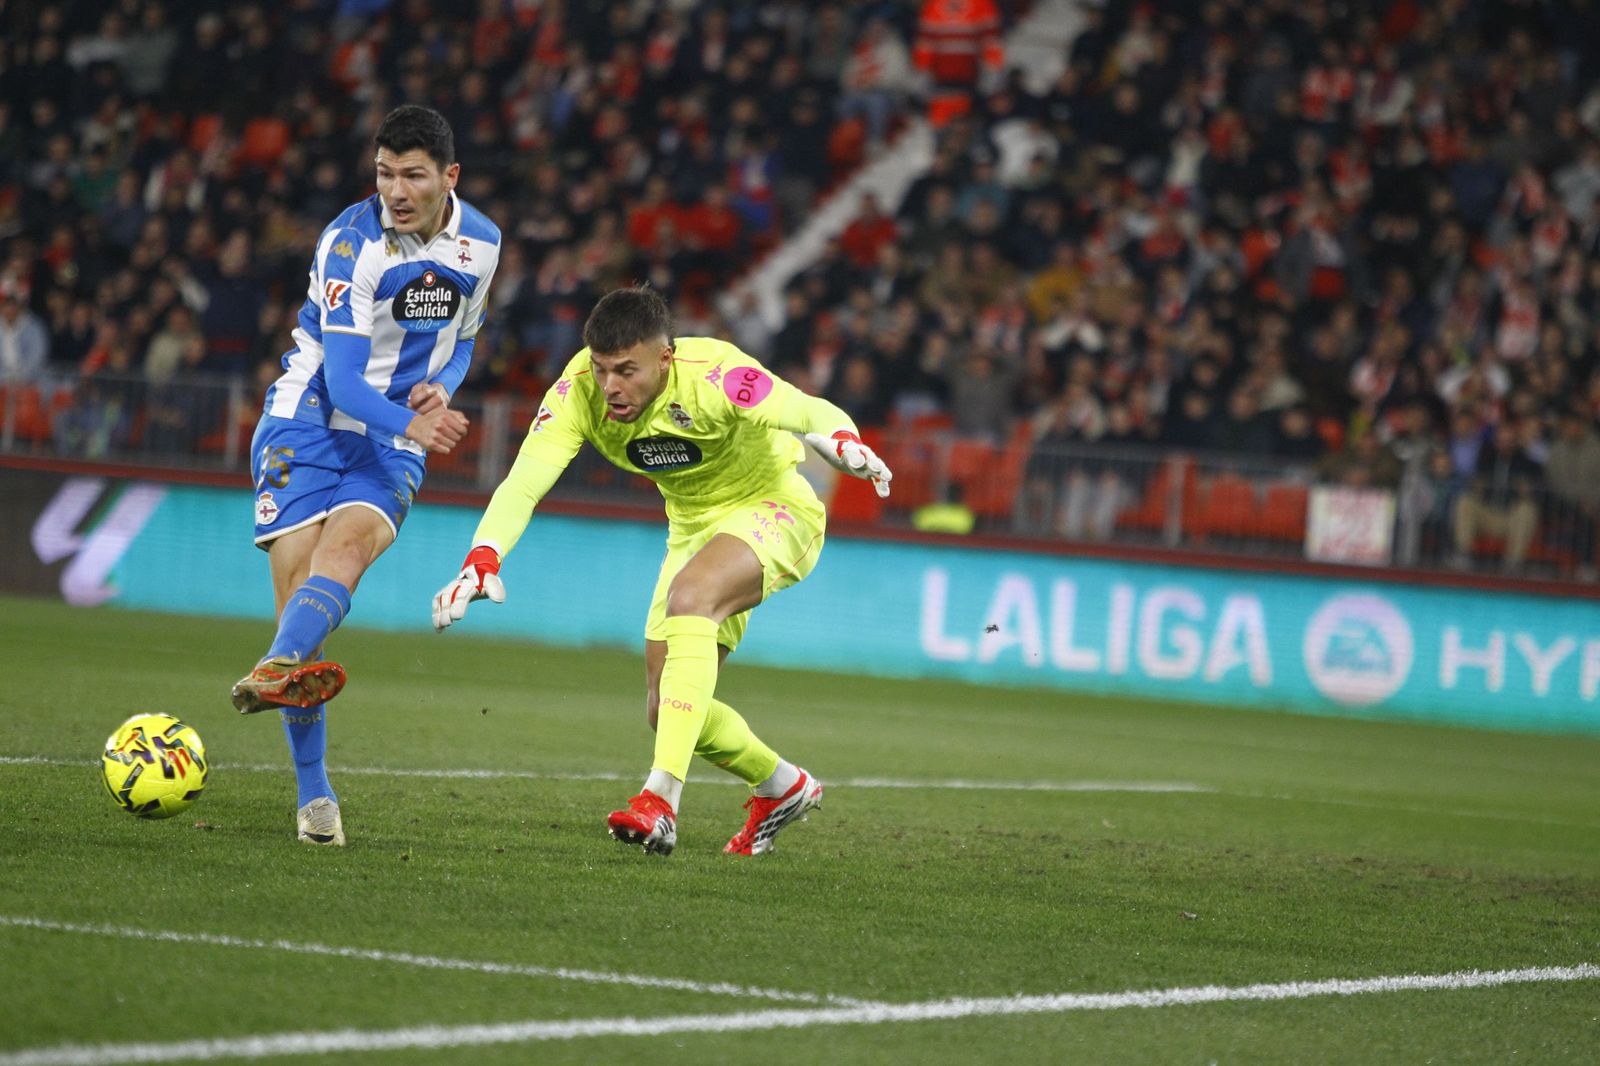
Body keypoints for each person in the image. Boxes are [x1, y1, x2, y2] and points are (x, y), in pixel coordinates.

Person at [432, 287, 892, 857]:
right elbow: (526, 479)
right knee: (664, 706)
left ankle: (661, 800)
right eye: (602, 369)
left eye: (626, 370)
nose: (611, 387)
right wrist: (483, 556)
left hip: (776, 507)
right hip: (692, 528)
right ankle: (782, 787)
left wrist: (843, 437)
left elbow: (804, 409)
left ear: (665, 358)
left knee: (692, 596)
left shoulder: (716, 372)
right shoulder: (578, 392)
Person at [230, 105, 501, 847]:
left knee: (343, 557)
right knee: (300, 603)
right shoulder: (353, 246)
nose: (397, 190)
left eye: (413, 175)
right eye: (385, 173)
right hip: (309, 418)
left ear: (449, 177)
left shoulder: (483, 243)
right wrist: (413, 423)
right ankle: (313, 790)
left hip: (387, 439)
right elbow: (346, 382)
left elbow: (462, 340)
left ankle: (277, 667)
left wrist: (441, 384)